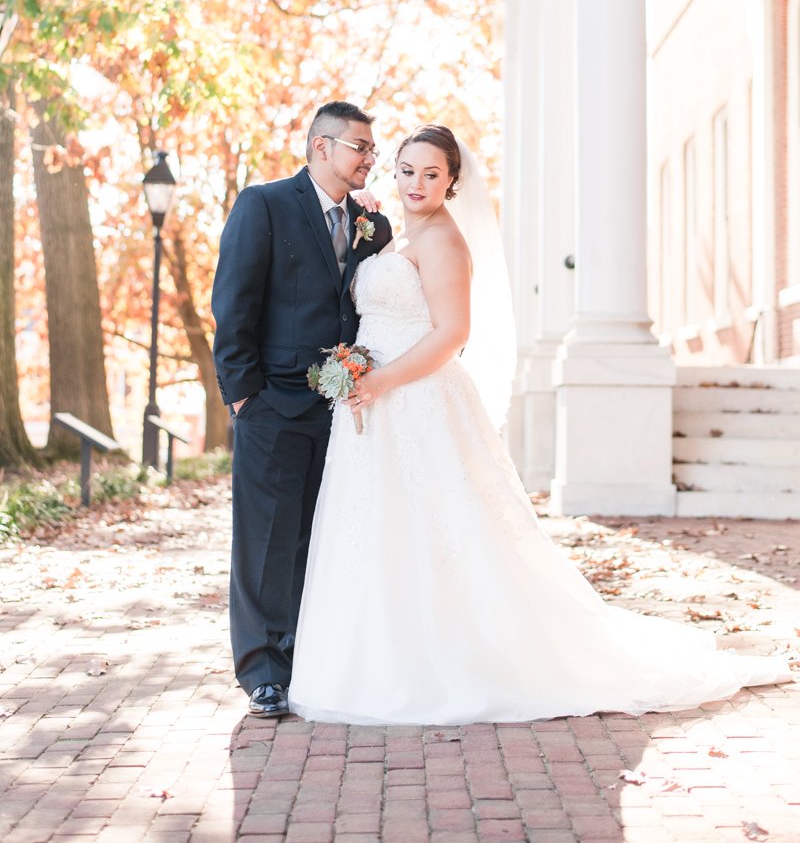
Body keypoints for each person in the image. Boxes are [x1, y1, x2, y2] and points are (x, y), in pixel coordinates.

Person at [288, 124, 792, 725]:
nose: (417, 183)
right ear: (392, 172)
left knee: (439, 529)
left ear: (452, 182)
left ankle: (433, 660)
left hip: (414, 397)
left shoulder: (445, 241)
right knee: (380, 528)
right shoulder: (397, 235)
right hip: (378, 403)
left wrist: (379, 381)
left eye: (431, 174)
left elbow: (452, 336)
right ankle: (370, 657)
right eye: (407, 170)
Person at [211, 101, 391, 717]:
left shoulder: (375, 226)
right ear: (321, 147)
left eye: (372, 149)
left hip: (345, 410)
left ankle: (310, 662)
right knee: (265, 542)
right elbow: (233, 305)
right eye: (360, 147)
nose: (371, 158)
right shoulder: (263, 205)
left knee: (323, 539)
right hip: (271, 406)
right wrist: (243, 397)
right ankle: (263, 671)